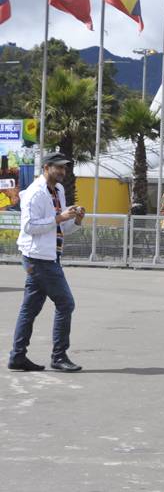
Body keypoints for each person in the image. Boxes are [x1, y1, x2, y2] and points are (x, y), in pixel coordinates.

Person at [8, 152, 85, 372]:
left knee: (30, 308)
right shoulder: (34, 193)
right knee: (65, 303)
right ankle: (59, 356)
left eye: (64, 168)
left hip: (49, 255)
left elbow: (60, 228)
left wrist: (75, 220)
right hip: (38, 258)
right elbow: (29, 227)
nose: (62, 172)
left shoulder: (58, 190)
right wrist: (60, 217)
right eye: (58, 167)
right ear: (46, 168)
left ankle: (17, 357)